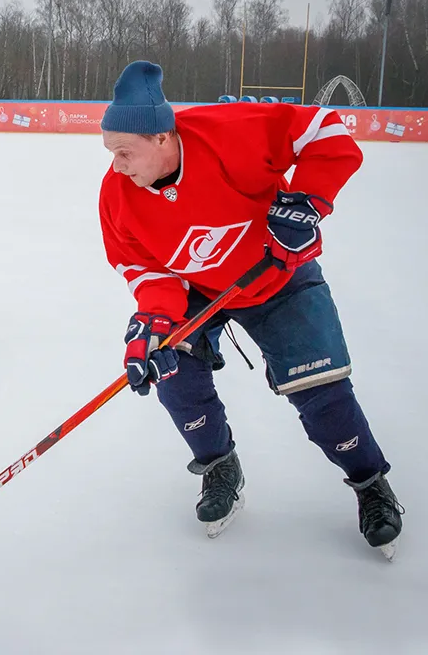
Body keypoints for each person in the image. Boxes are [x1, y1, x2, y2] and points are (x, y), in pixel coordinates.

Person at [98, 60, 403, 557]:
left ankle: (370, 482)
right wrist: (154, 323)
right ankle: (219, 466)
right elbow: (144, 269)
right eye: (110, 152)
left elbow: (325, 131)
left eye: (125, 152)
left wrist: (308, 201)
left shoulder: (229, 131)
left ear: (161, 138)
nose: (117, 166)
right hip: (197, 290)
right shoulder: (117, 197)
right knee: (173, 370)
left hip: (277, 271)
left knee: (321, 391)